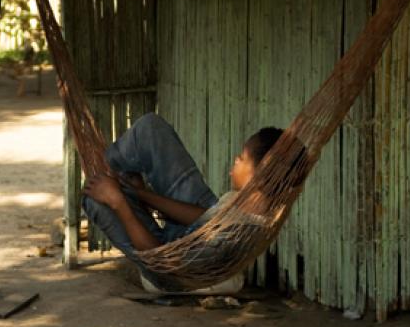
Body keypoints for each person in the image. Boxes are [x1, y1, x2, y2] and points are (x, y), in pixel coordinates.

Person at [82, 113, 287, 293]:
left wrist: (118, 201)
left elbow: (159, 261)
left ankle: (109, 178)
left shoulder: (231, 235)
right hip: (189, 239)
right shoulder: (251, 204)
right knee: (150, 127)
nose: (235, 159)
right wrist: (141, 194)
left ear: (261, 174)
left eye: (242, 158)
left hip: (170, 274)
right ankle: (110, 173)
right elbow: (203, 218)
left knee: (95, 199)